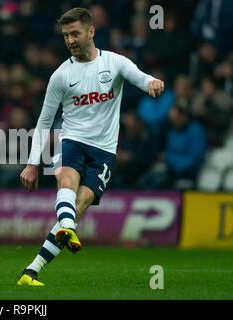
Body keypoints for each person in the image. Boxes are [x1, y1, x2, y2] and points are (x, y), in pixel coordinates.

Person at [17, 8, 164, 286]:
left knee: (79, 203)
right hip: (72, 139)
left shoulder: (114, 63)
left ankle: (31, 271)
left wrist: (152, 83)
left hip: (105, 150)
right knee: (66, 179)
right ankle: (69, 228)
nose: (70, 40)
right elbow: (44, 121)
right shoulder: (61, 75)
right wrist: (31, 163)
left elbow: (140, 77)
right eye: (66, 35)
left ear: (91, 32)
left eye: (75, 33)